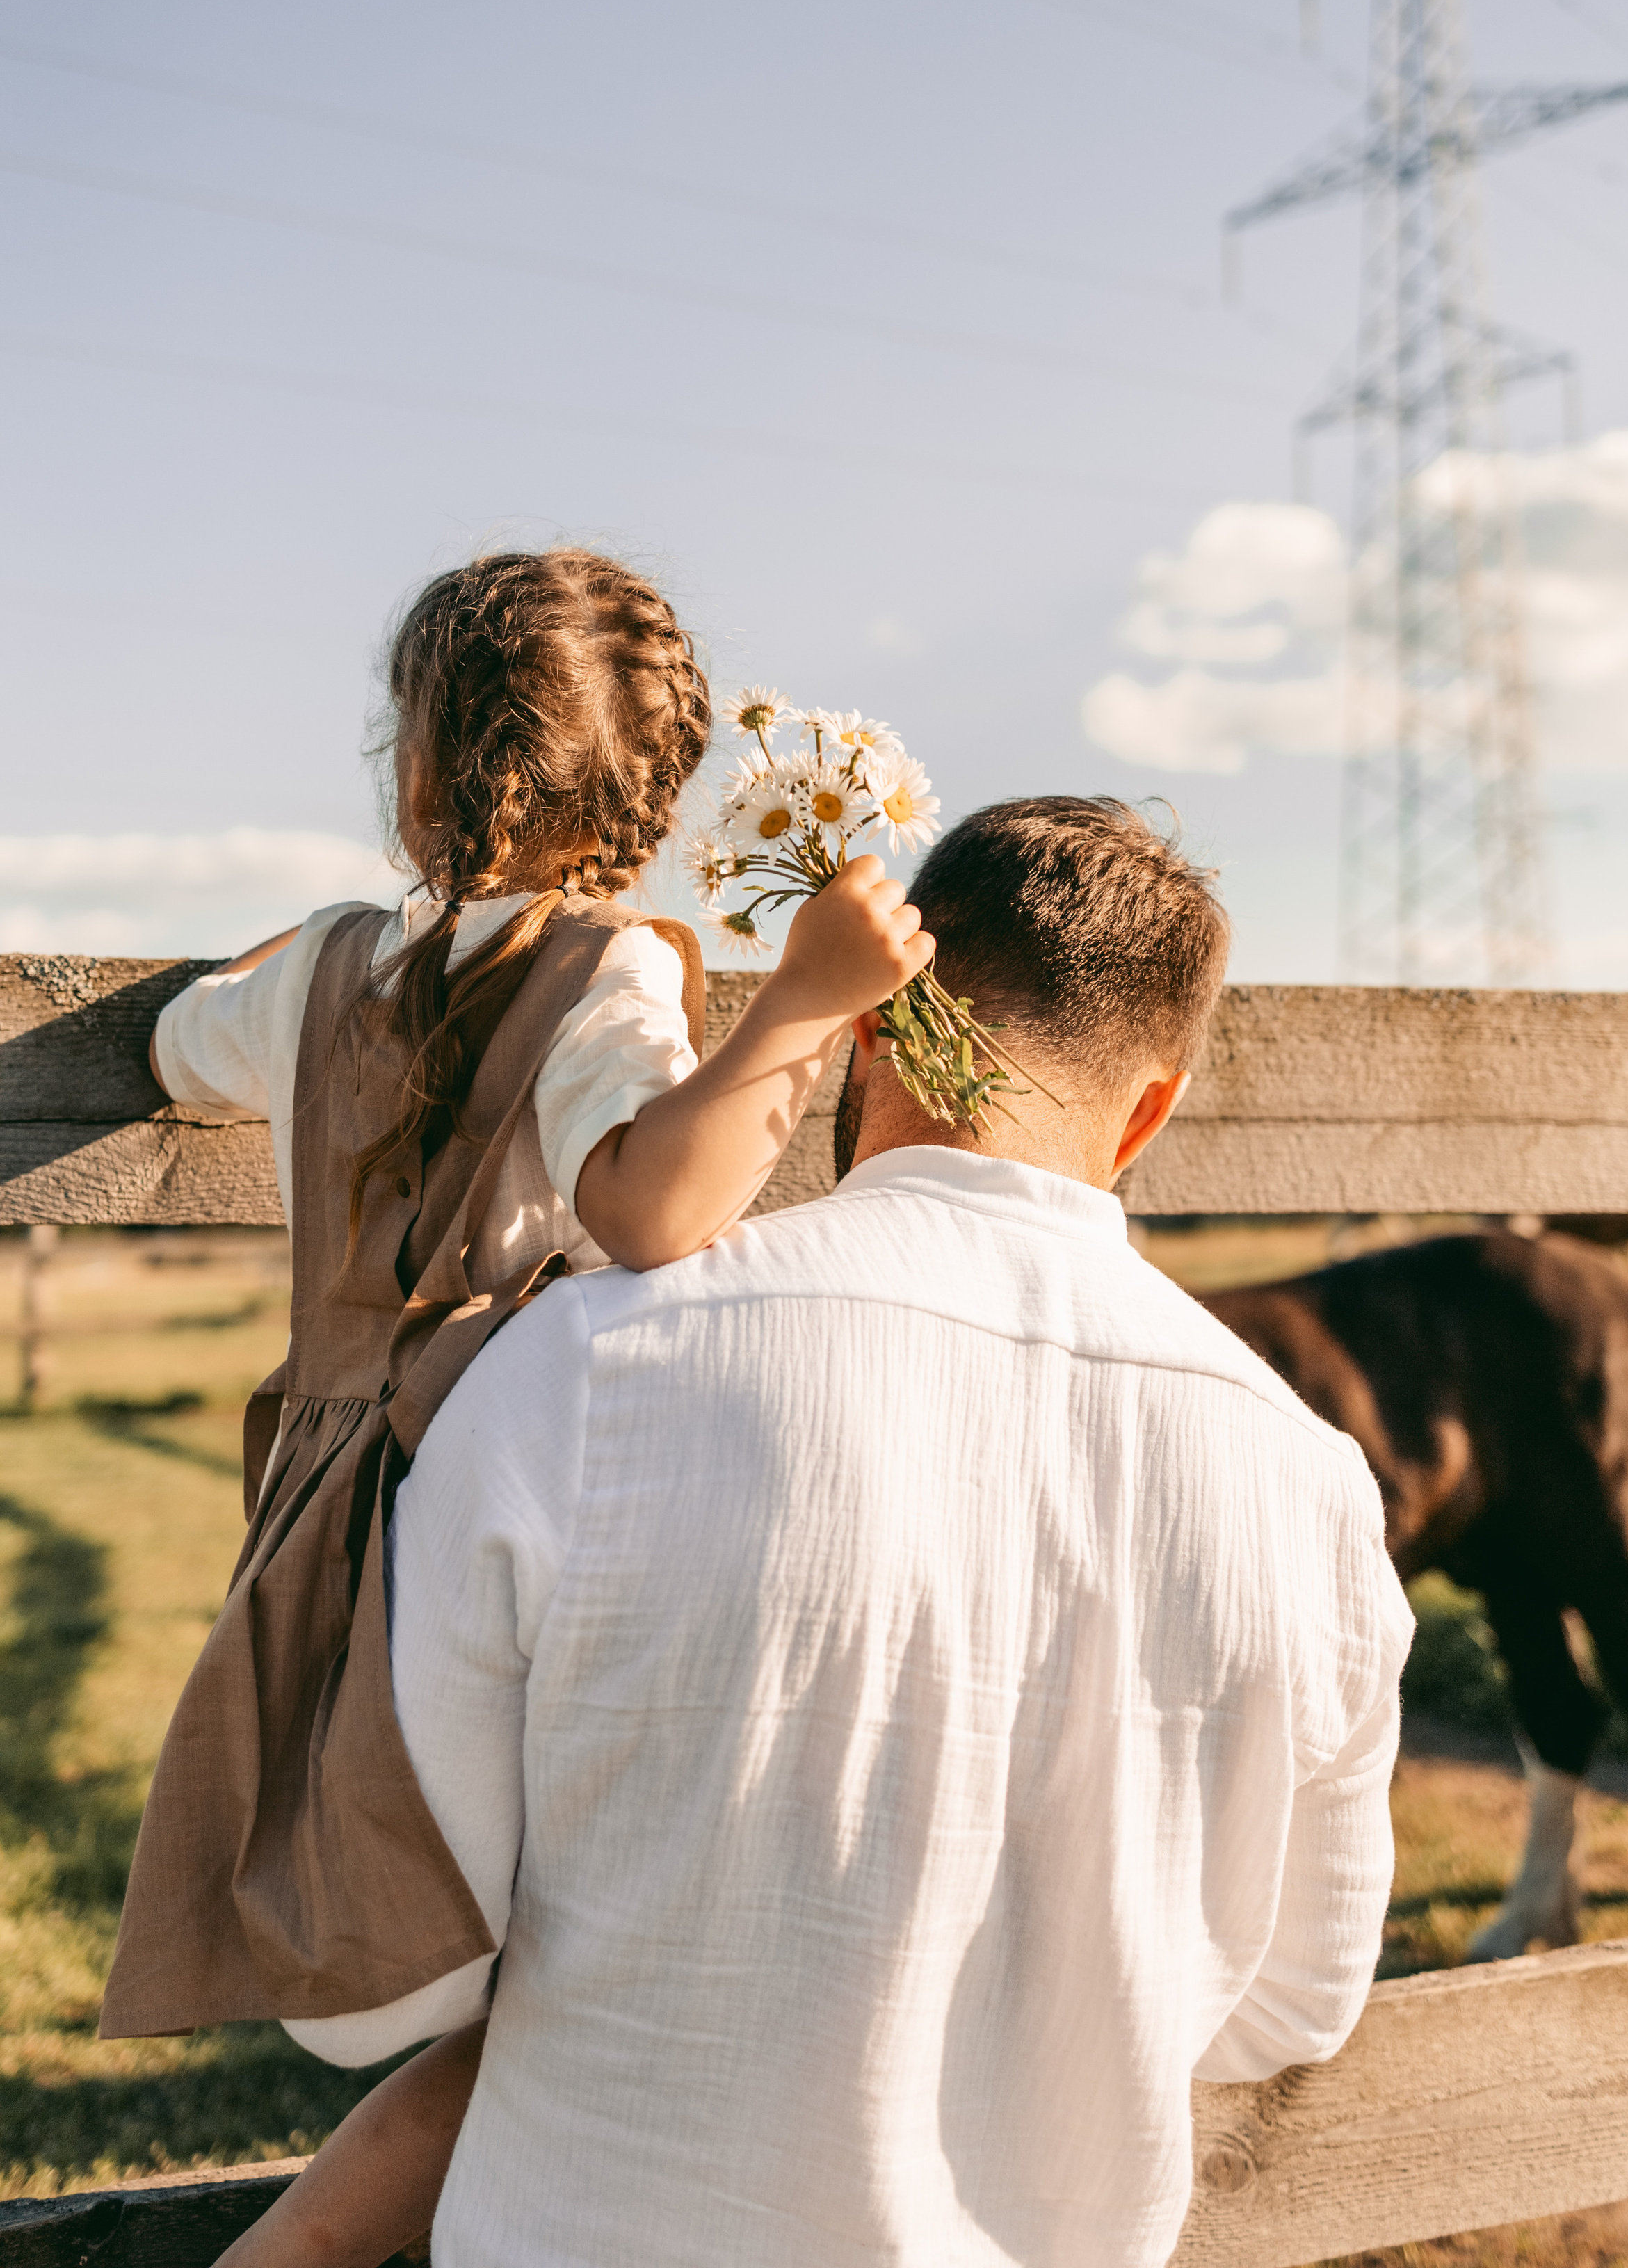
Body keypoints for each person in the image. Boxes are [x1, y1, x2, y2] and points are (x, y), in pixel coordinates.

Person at [220, 795, 1412, 2268]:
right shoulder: (1310, 1485)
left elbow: (370, 1998)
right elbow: (1294, 2002)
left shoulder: (579, 1375)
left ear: (873, 1025)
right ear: (1151, 1110)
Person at [100, 547, 930, 2042]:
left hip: (324, 1480)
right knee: (557, 1909)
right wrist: (804, 1003)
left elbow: (172, 1045)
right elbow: (651, 1205)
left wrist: (328, 940)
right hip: (524, 1475)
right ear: (661, 791)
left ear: (415, 766)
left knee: (401, 1894)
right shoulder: (609, 972)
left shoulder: (325, 974)